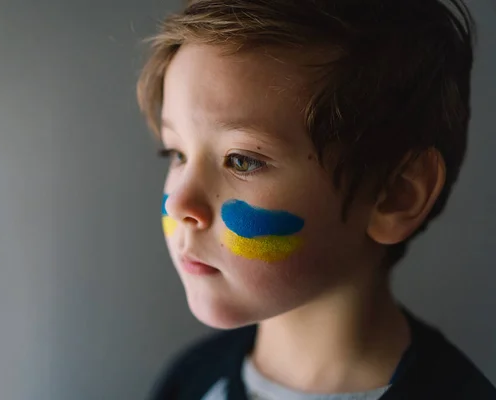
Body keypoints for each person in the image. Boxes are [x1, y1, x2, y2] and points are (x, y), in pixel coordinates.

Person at [136, 0, 496, 398]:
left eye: (241, 160)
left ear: (395, 196)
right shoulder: (190, 381)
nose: (179, 204)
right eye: (177, 154)